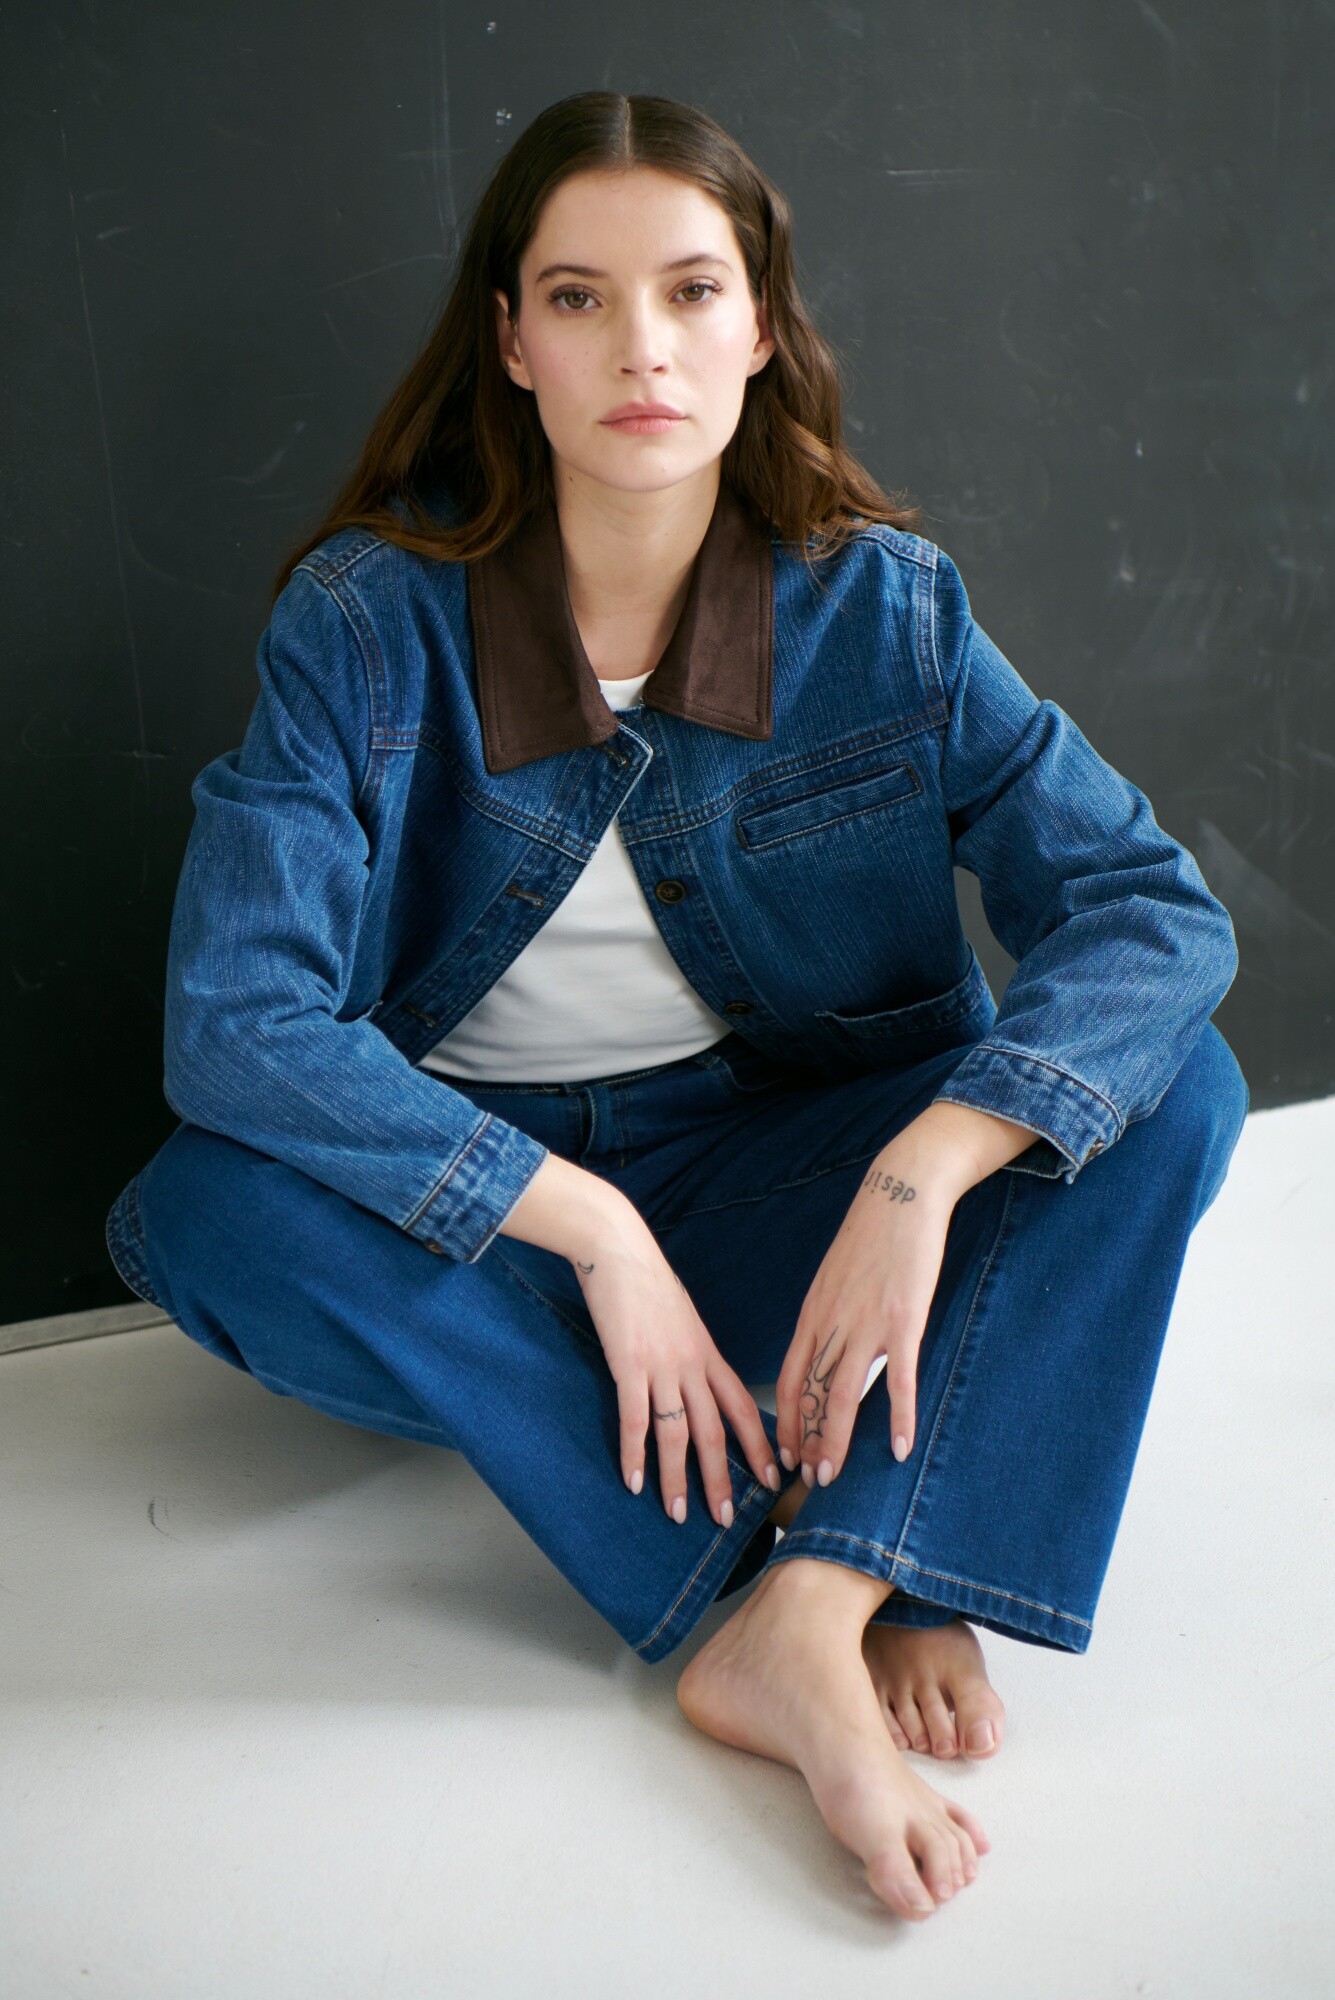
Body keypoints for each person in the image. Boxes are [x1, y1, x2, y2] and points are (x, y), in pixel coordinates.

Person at [105, 90, 1249, 1921]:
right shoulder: (366, 623)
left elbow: (1151, 913)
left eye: (693, 291)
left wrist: (919, 1180)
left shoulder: (883, 609)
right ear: (511, 341)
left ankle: (820, 1593)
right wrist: (592, 1227)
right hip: (492, 1227)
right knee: (210, 1208)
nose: (642, 348)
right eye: (580, 298)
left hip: (793, 1190)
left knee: (1175, 1084)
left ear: (762, 326)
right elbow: (237, 1022)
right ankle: (831, 1546)